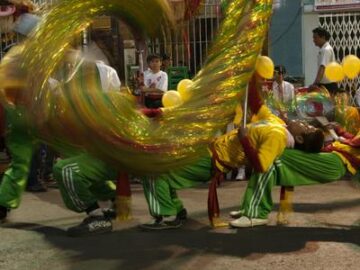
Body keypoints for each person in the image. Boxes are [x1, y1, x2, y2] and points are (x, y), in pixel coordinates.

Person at [139, 72, 324, 230]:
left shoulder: (278, 137)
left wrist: (244, 140)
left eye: (305, 128)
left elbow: (260, 165)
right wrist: (249, 76)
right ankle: (173, 210)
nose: (303, 123)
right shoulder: (279, 124)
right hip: (208, 149)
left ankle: (166, 216)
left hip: (212, 160)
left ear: (299, 139)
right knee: (162, 164)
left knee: (155, 169)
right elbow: (256, 104)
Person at [229, 121, 360, 228]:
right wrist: (339, 130)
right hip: (334, 156)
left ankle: (255, 214)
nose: (304, 123)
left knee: (272, 158)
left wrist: (245, 141)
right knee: (272, 158)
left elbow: (354, 143)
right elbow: (353, 140)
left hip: (336, 161)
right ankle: (250, 208)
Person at [309, 27, 339, 95]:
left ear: (323, 37)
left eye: (315, 37)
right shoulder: (324, 49)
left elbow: (322, 67)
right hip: (325, 85)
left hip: (328, 86)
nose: (314, 40)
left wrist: (315, 84)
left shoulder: (326, 50)